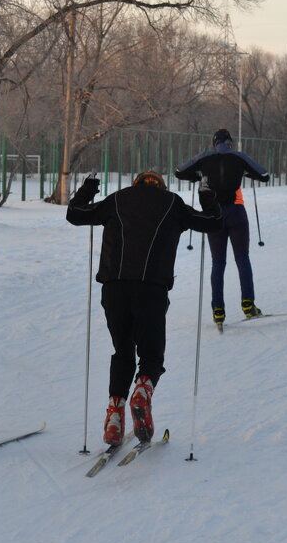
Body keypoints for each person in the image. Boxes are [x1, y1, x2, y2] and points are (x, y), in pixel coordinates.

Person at [66, 170, 221, 445]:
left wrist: (89, 186)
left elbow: (76, 214)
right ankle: (143, 391)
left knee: (122, 352)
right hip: (151, 289)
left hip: (113, 287)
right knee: (151, 355)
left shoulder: (117, 199)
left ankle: (115, 412)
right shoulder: (172, 203)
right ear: (160, 186)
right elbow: (212, 221)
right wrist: (206, 195)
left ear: (135, 184)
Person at [174, 128, 271, 326]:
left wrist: (197, 176)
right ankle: (248, 304)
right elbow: (265, 175)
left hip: (213, 214)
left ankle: (218, 309)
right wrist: (247, 173)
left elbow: (179, 172)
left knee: (218, 262)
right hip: (236, 212)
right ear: (229, 142)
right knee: (242, 258)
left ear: (214, 142)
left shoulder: (204, 156)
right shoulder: (238, 156)